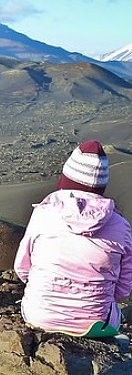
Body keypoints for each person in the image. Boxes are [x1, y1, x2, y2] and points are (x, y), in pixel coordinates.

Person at [14, 140, 132, 337]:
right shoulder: (121, 227)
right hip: (97, 325)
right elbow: (124, 288)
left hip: (40, 317)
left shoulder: (44, 213)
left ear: (66, 179)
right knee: (116, 322)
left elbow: (22, 268)